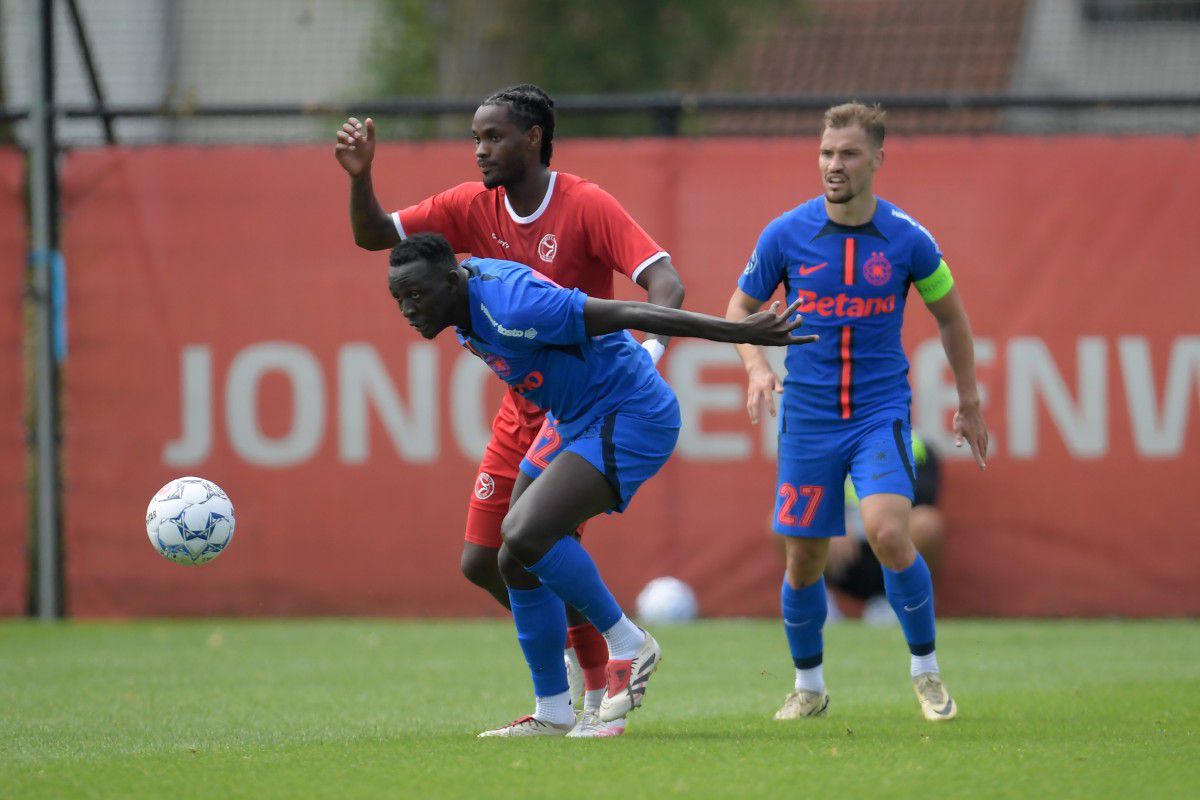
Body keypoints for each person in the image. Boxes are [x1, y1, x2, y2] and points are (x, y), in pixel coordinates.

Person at [334, 84, 685, 737]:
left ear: (533, 138)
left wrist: (653, 351)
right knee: (486, 560)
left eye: (492, 137)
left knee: (537, 542)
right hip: (525, 404)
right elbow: (375, 236)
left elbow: (663, 284)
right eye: (474, 138)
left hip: (590, 396)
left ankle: (602, 696)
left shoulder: (586, 205)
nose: (479, 151)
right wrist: (363, 178)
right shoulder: (472, 206)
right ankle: (566, 693)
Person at [387, 233, 814, 737]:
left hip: (631, 413)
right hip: (573, 417)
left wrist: (738, 331)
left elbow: (633, 314)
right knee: (510, 556)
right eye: (399, 299)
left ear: (453, 281)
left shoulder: (516, 303)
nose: (408, 309)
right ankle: (553, 712)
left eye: (417, 295)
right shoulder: (462, 305)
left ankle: (630, 645)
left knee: (526, 534)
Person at [725, 101, 988, 723]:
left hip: (879, 412)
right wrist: (757, 366)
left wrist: (969, 400)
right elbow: (737, 310)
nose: (833, 165)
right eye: (825, 153)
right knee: (804, 558)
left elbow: (951, 316)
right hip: (809, 420)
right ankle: (809, 686)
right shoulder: (785, 234)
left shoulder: (909, 238)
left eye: (846, 154)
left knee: (891, 532)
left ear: (876, 159)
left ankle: (926, 673)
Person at [827, 434, 945, 624]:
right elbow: (810, 488)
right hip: (844, 553)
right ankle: (817, 600)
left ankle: (903, 601)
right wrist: (834, 518)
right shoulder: (832, 442)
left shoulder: (917, 446)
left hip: (893, 549)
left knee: (925, 522)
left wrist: (883, 521)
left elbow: (925, 499)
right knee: (790, 519)